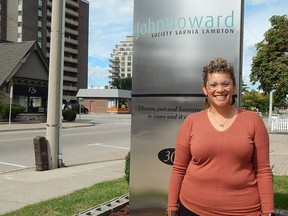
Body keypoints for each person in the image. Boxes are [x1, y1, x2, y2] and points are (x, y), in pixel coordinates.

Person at [167, 57, 275, 216]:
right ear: (205, 89)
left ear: (234, 87)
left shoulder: (253, 121)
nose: (220, 89)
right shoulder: (191, 122)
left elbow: (263, 171)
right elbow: (178, 169)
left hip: (244, 210)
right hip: (192, 209)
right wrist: (171, 207)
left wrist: (268, 211)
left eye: (225, 84)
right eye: (213, 84)